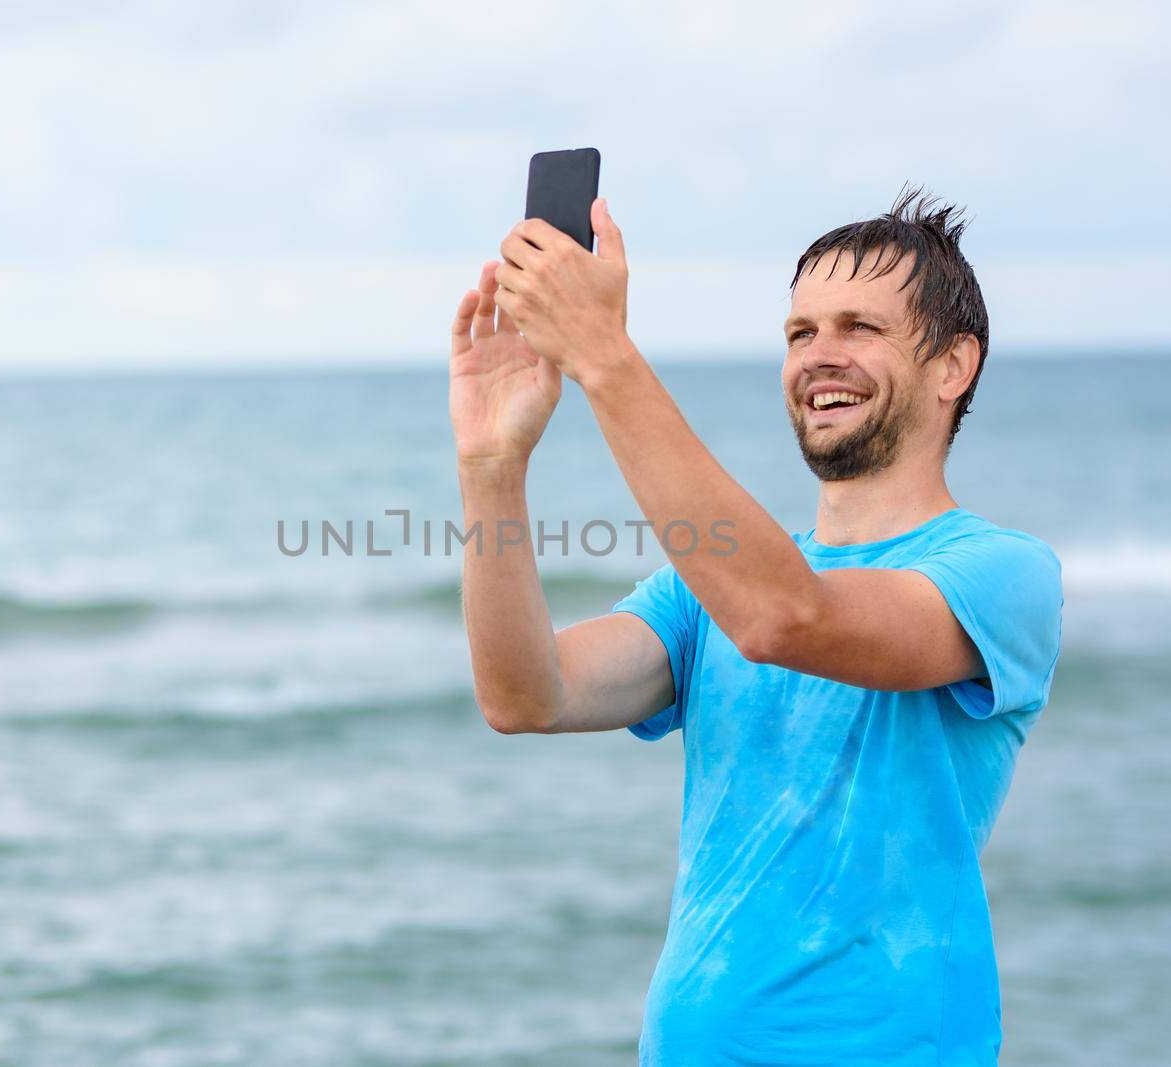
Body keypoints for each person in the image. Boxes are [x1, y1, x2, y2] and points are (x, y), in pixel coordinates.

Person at [447, 187, 1064, 1065]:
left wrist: (604, 355)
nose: (821, 356)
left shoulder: (1002, 575)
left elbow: (788, 617)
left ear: (952, 366)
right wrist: (492, 466)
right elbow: (524, 693)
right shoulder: (703, 592)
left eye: (860, 327)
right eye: (800, 333)